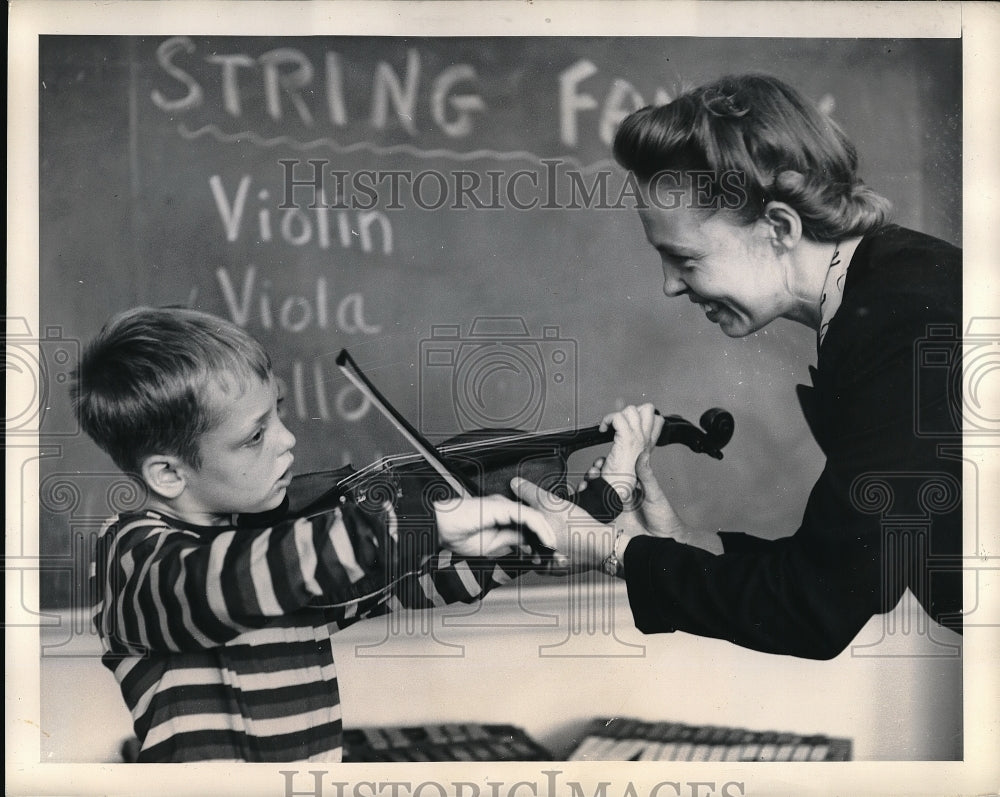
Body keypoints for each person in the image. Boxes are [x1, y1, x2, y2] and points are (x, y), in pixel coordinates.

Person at [512, 73, 962, 660]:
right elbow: (839, 570)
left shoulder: (904, 323)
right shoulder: (880, 294)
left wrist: (608, 550)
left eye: (685, 258)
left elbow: (814, 608)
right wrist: (677, 542)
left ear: (779, 228)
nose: (670, 286)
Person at [72, 306, 557, 762]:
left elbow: (402, 586)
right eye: (255, 435)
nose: (288, 439)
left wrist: (530, 545)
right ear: (169, 474)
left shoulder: (287, 548)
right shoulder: (135, 554)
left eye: (278, 412)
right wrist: (415, 523)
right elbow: (224, 583)